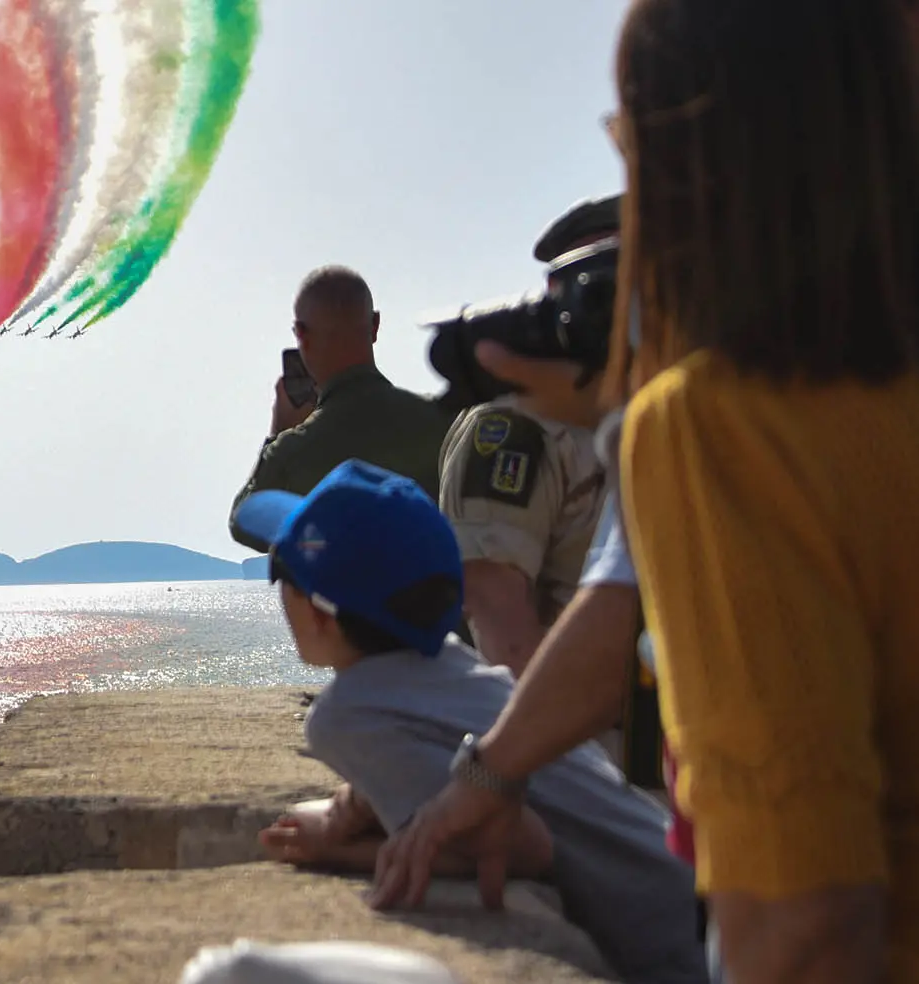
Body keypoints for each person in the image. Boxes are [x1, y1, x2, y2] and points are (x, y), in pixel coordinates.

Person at [387, 1, 919, 982]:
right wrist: (495, 773)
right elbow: (619, 598)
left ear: (692, 158)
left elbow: (805, 931)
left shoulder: (722, 431)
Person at [233, 458, 707, 984]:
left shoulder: (344, 719)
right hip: (695, 890)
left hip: (668, 950)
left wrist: (338, 848)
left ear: (318, 612)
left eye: (280, 570)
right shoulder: (455, 665)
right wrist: (350, 807)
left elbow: (520, 848)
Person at [434, 196, 619, 677]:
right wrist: (561, 748)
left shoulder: (673, 411)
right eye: (597, 285)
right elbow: (502, 625)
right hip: (591, 738)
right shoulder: (516, 429)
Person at [228, 266, 451, 553]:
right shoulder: (446, 423)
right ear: (375, 326)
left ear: (301, 335)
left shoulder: (294, 451)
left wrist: (280, 431)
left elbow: (245, 524)